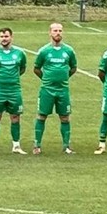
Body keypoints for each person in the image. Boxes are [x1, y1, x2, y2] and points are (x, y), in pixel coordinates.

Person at [34, 22, 78, 155]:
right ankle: (37, 145)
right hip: (47, 89)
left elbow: (73, 68)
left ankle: (66, 146)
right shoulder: (44, 51)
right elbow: (36, 69)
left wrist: (63, 78)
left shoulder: (69, 51)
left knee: (65, 117)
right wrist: (47, 79)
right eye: (55, 31)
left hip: (63, 90)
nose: (58, 33)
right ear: (50, 33)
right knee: (42, 116)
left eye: (60, 31)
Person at [0, 27, 27, 156]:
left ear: (11, 37)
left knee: (15, 117)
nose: (4, 39)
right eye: (2, 36)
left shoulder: (20, 53)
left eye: (6, 36)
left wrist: (12, 79)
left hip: (14, 90)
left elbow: (22, 68)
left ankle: (16, 146)